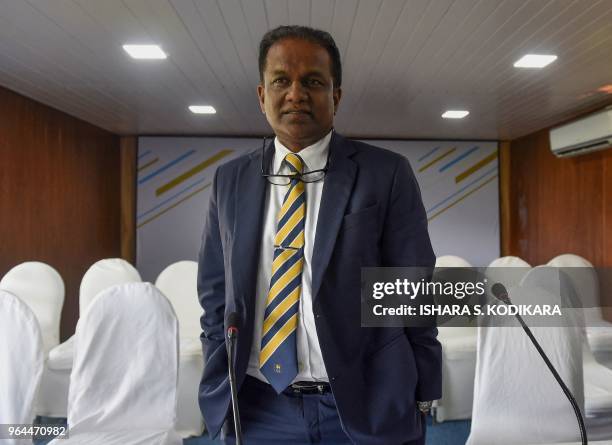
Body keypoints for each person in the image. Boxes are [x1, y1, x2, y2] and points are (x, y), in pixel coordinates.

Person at [197, 25, 441, 445]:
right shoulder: (229, 181)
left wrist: (424, 391)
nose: (296, 94)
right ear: (261, 96)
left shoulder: (386, 173)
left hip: (365, 404)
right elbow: (215, 297)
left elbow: (412, 292)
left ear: (336, 95)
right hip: (258, 408)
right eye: (281, 81)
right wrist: (219, 378)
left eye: (313, 81)